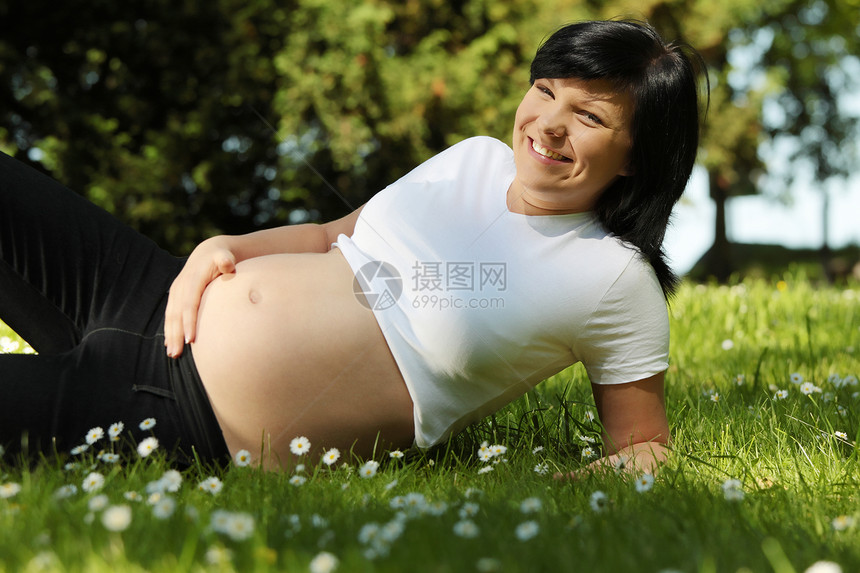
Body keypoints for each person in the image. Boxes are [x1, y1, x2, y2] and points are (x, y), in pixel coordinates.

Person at [0, 20, 705, 472]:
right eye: (545, 91)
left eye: (586, 115)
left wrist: (556, 486)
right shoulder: (473, 157)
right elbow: (331, 235)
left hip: (180, 410)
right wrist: (221, 245)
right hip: (153, 291)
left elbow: (645, 447)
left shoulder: (614, 278)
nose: (547, 124)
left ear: (638, 155)